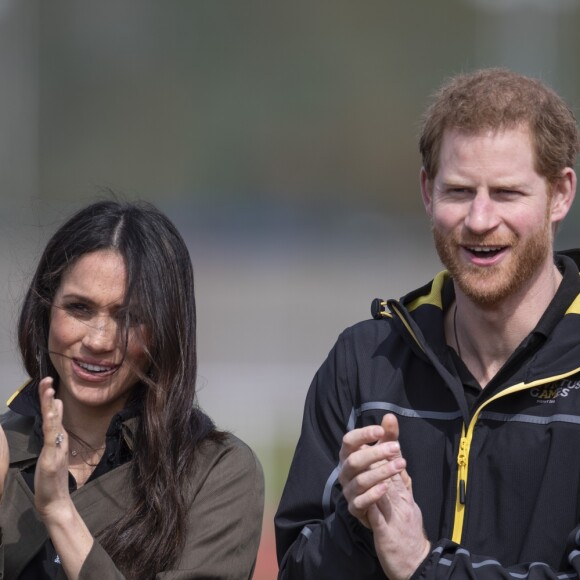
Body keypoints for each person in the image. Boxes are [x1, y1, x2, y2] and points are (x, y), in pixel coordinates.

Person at [275, 67, 580, 578]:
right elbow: (296, 570)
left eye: (506, 193)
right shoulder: (363, 364)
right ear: (426, 191)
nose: (480, 220)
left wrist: (423, 567)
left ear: (560, 195)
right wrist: (356, 523)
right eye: (459, 191)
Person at [0, 200, 264, 579]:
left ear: (166, 330)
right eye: (79, 308)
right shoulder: (5, 450)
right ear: (45, 310)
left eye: (130, 317)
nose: (99, 339)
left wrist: (60, 514)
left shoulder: (216, 472)